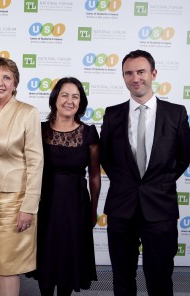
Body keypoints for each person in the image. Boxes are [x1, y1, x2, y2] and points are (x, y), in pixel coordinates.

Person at [100, 49, 190, 296]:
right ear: (124, 77)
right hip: (121, 208)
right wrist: (127, 182)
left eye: (141, 72)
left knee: (160, 278)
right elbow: (106, 157)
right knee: (122, 278)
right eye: (129, 73)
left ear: (153, 74)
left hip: (160, 208)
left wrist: (160, 182)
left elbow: (184, 156)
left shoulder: (176, 113)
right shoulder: (112, 114)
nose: (135, 78)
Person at [0, 57, 43, 296]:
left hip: (15, 202)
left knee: (9, 266)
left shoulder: (28, 113)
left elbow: (36, 162)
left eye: (6, 77)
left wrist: (29, 207)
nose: (0, 82)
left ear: (15, 83)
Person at [28, 77, 100, 296]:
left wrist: (94, 210)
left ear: (81, 102)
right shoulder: (38, 130)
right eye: (65, 95)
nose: (70, 101)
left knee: (70, 259)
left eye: (75, 96)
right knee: (46, 258)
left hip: (76, 207)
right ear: (55, 99)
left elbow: (95, 176)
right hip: (45, 205)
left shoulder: (89, 133)